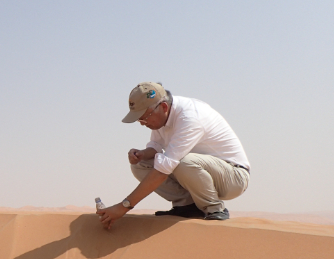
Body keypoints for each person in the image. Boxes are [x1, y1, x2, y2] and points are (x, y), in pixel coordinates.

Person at [97, 82, 250, 229]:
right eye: (139, 119)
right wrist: (142, 154)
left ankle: (214, 209)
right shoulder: (162, 117)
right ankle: (187, 206)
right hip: (198, 172)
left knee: (181, 161)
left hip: (233, 177)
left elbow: (162, 170)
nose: (142, 123)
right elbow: (156, 146)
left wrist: (123, 207)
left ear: (163, 107)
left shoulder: (190, 117)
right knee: (140, 164)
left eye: (144, 117)